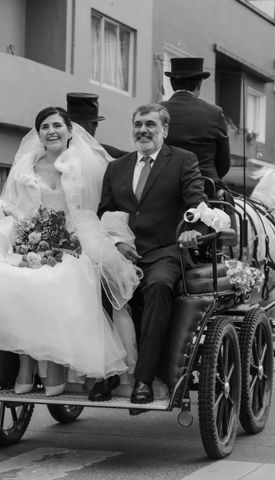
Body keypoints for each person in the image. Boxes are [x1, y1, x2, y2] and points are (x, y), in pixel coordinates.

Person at [0, 107, 141, 397]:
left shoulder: (89, 164)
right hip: (32, 232)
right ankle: (25, 363)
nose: (51, 131)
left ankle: (56, 364)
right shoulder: (25, 166)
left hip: (76, 234)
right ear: (38, 133)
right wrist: (26, 236)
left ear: (70, 130)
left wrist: (104, 238)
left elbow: (105, 206)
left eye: (57, 125)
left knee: (60, 280)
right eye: (45, 126)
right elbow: (17, 208)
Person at [98, 103, 205, 405]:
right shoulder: (116, 167)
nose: (143, 130)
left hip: (166, 250)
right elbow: (104, 212)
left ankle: (143, 380)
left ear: (165, 130)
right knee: (92, 284)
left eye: (150, 124)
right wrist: (118, 243)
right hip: (122, 253)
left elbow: (195, 203)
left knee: (158, 287)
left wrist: (191, 227)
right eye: (138, 124)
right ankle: (105, 375)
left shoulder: (183, 160)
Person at [161, 57, 231, 186]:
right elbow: (224, 163)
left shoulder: (156, 111)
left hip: (161, 185)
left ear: (171, 82)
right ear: (199, 83)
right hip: (204, 185)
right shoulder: (214, 112)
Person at [66, 92, 128, 159]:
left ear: (94, 125)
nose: (78, 129)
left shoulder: (111, 155)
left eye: (81, 125)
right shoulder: (57, 153)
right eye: (74, 125)